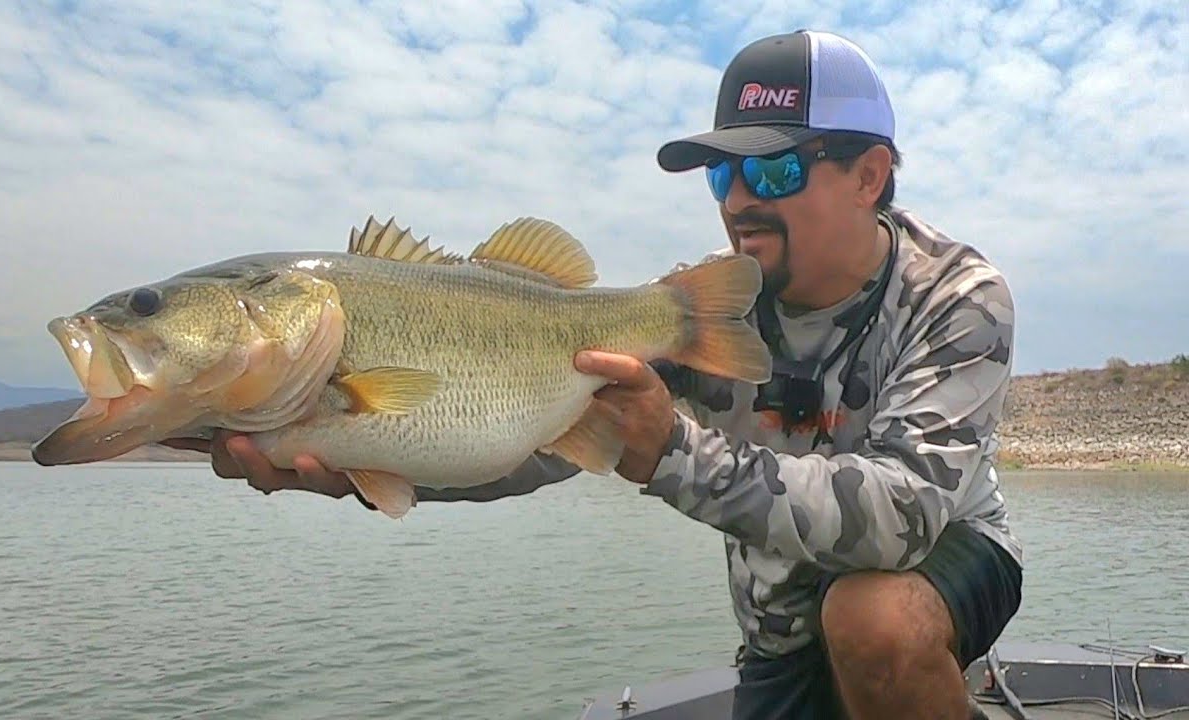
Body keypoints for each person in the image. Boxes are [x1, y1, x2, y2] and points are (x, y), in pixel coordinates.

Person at [166, 29, 1023, 720]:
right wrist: (363, 461)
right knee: (828, 629)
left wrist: (672, 456)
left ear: (870, 174)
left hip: (947, 556)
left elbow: (902, 520)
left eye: (774, 168)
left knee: (874, 624)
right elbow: (533, 447)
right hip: (779, 614)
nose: (734, 200)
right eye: (723, 172)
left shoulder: (957, 297)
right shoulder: (701, 309)